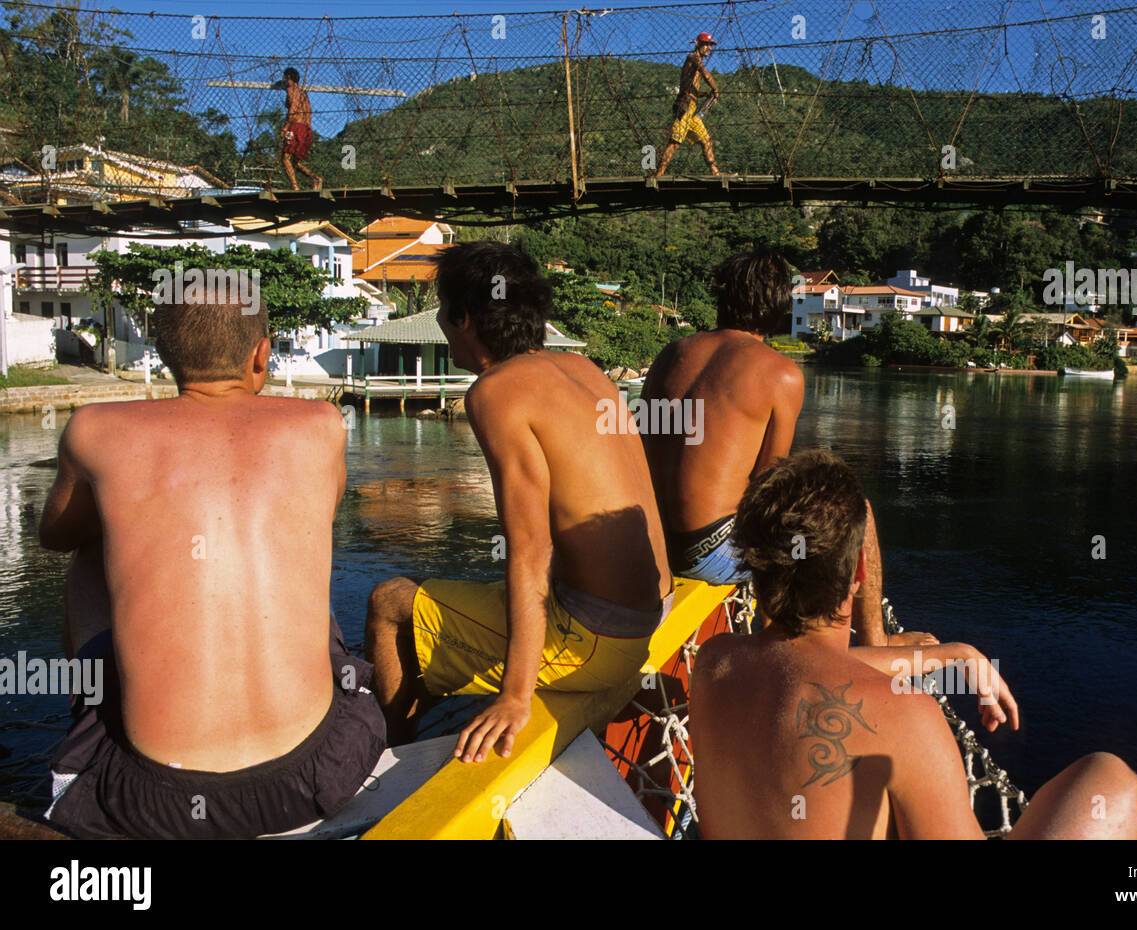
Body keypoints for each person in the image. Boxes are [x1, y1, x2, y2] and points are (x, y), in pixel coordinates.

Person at [39, 287, 385, 839]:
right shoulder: (320, 425)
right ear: (260, 354)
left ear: (164, 353)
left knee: (89, 552)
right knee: (284, 550)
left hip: (155, 798)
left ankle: (97, 710)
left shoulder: (95, 429)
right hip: (317, 774)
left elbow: (55, 535)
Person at [690, 450, 1137, 839]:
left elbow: (805, 667)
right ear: (860, 573)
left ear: (753, 563)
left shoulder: (715, 664)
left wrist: (951, 655)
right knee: (1112, 785)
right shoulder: (906, 718)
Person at [365, 241, 674, 763]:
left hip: (598, 641)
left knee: (390, 602)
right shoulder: (584, 367)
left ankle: (382, 768)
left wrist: (515, 695)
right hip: (652, 611)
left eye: (443, 312)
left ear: (464, 318)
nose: (440, 323)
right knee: (462, 598)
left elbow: (530, 551)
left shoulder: (495, 392)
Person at [640, 247, 803, 589]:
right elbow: (767, 487)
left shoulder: (671, 353)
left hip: (649, 542)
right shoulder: (781, 374)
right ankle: (863, 637)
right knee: (848, 518)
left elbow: (640, 448)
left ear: (721, 296)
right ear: (779, 304)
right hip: (710, 553)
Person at [653, 33, 722, 177]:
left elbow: (692, 90)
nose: (708, 48)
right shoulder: (693, 57)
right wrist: (715, 89)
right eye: (705, 44)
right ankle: (658, 175)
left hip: (692, 108)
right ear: (698, 44)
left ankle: (716, 173)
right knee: (675, 142)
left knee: (706, 141)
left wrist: (705, 94)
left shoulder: (696, 62)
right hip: (684, 106)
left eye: (710, 45)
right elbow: (705, 74)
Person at [277, 67, 323, 191]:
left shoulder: (291, 89)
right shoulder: (303, 94)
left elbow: (293, 109)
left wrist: (285, 128)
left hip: (297, 127)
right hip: (307, 130)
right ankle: (315, 178)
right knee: (295, 163)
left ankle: (295, 187)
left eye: (284, 78)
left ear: (288, 78)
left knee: (285, 158)